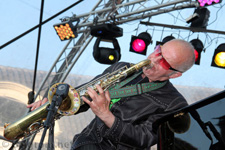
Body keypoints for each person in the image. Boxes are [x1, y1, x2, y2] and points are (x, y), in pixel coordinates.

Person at [27, 39, 195, 150]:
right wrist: (53, 103)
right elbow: (83, 95)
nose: (154, 59)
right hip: (85, 144)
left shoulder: (175, 104)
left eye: (164, 62)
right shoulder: (121, 68)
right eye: (158, 51)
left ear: (175, 74)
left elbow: (144, 139)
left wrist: (106, 115)